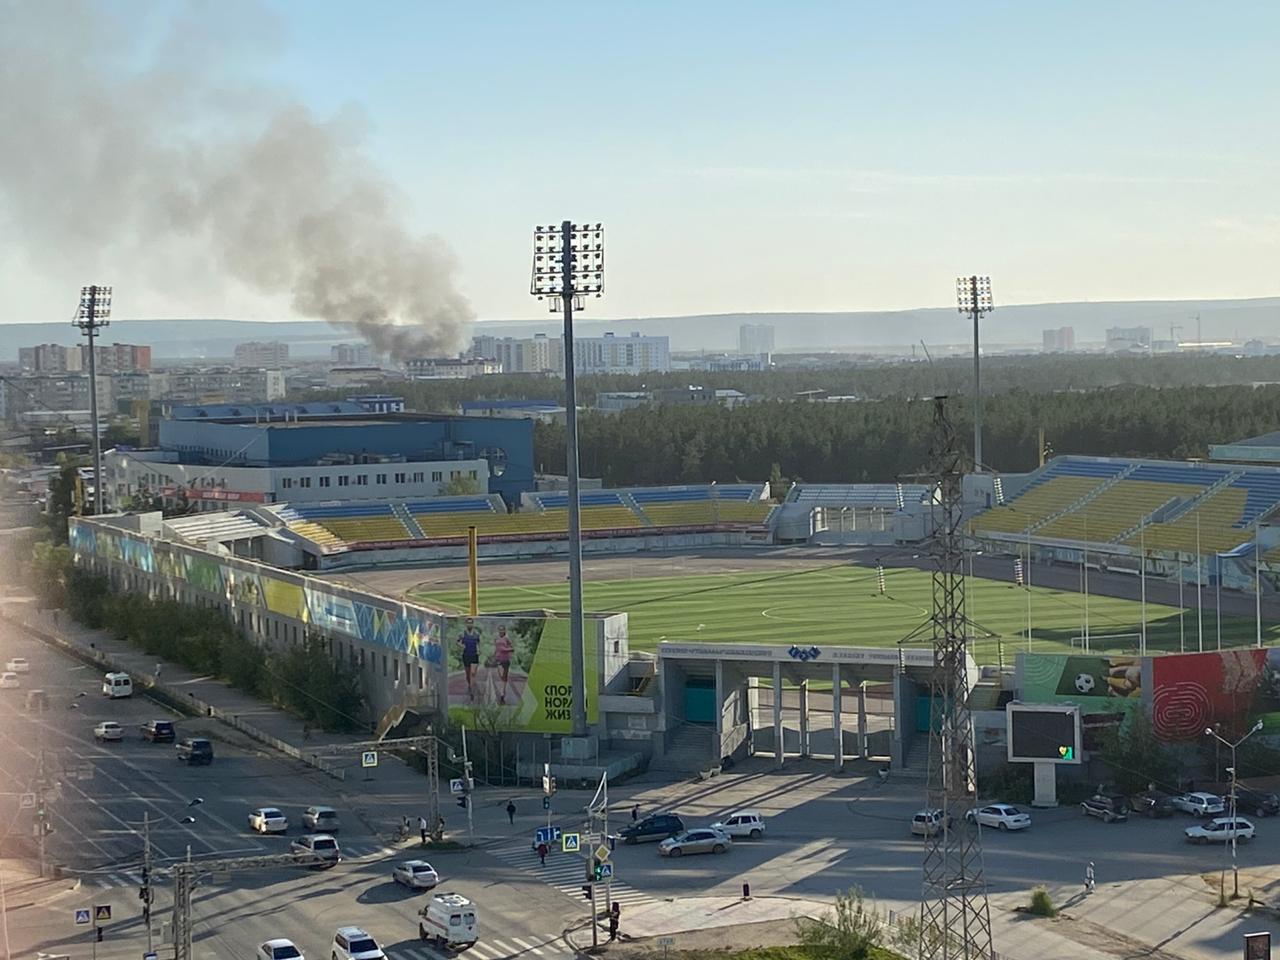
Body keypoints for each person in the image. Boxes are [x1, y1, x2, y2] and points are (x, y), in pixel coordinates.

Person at [458, 619, 483, 701]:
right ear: (466, 624)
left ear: (473, 624)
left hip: (474, 655)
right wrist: (461, 646)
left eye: (471, 623)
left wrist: (479, 650)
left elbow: (479, 643)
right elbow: (458, 642)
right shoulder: (463, 634)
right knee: (468, 674)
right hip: (466, 655)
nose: (469, 625)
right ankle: (470, 685)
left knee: (473, 673)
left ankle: (472, 691)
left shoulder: (476, 634)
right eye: (468, 623)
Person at [494, 626, 515, 703]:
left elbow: (512, 648)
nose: (501, 631)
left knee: (504, 677)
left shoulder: (507, 639)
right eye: (500, 630)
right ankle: (502, 691)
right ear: (498, 631)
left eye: (502, 630)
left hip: (506, 659)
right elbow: (496, 648)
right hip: (499, 659)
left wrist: (506, 650)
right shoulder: (496, 639)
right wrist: (494, 656)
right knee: (501, 675)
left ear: (504, 631)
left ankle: (502, 694)